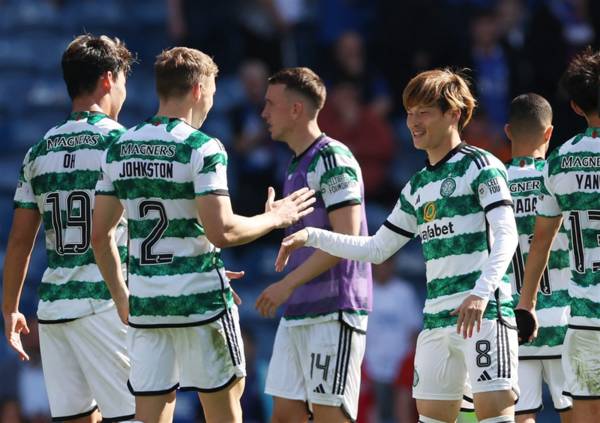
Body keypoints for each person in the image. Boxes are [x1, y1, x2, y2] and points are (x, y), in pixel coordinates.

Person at [276, 68, 521, 423]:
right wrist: (313, 236)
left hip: (483, 314)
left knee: (495, 418)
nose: (413, 122)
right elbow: (377, 249)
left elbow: (507, 235)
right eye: (409, 112)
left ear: (454, 114)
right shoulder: (418, 185)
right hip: (437, 319)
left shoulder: (482, 166)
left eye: (424, 112)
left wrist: (481, 293)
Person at [90, 47, 315, 423]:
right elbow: (223, 230)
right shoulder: (202, 147)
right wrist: (277, 218)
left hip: (148, 307)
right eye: (211, 88)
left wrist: (121, 298)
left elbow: (100, 236)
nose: (212, 98)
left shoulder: (119, 148)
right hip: (200, 305)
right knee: (224, 413)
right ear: (197, 89)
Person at [2, 34, 136, 422]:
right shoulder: (122, 144)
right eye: (124, 80)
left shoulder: (39, 151)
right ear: (109, 80)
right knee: (136, 416)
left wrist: (10, 309)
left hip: (55, 311)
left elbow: (19, 242)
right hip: (108, 304)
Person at [255, 67, 372, 423]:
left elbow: (346, 239)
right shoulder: (296, 164)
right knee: (285, 416)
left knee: (329, 416)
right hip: (301, 309)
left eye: (270, 104)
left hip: (334, 309)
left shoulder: (332, 158)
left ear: (295, 110)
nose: (263, 114)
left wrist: (286, 284)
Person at [516, 47, 600, 423]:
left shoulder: (560, 161)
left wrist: (527, 304)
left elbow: (541, 243)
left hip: (583, 316)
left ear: (577, 108)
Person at [504, 93, 572, 422]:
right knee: (579, 413)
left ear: (508, 132)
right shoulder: (559, 178)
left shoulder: (493, 183)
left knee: (521, 416)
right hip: (565, 319)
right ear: (549, 134)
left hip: (514, 324)